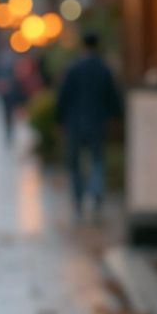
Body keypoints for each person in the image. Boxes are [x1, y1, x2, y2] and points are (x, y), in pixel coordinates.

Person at [56, 31, 122, 217]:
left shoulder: (73, 68)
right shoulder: (104, 69)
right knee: (97, 161)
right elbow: (113, 96)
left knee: (75, 163)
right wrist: (116, 117)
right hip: (97, 123)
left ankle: (79, 199)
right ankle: (96, 195)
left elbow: (63, 96)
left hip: (75, 123)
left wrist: (60, 120)